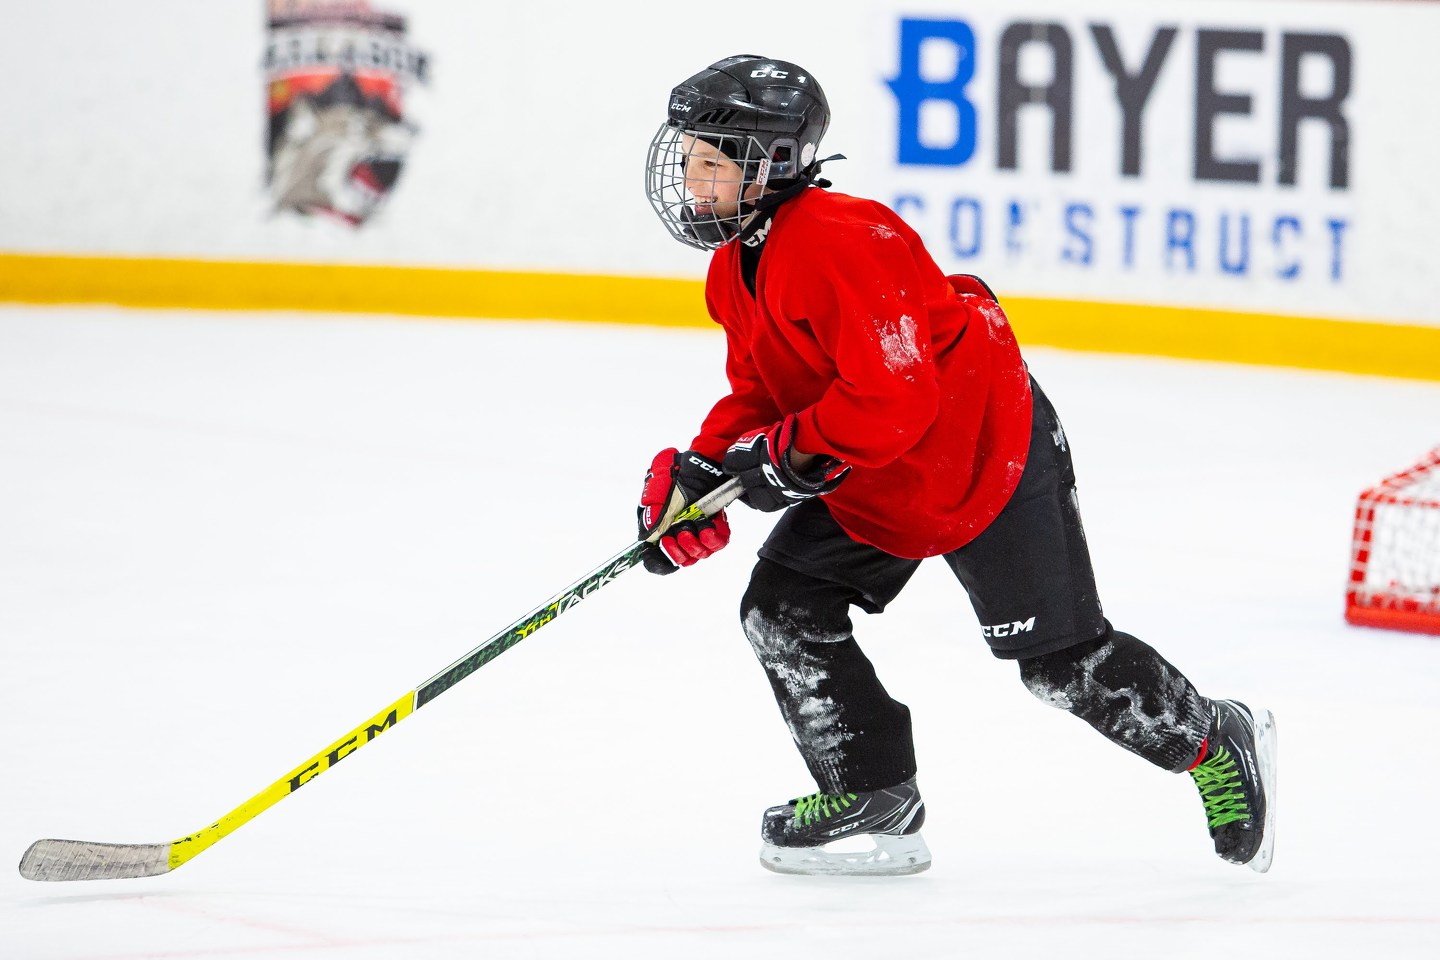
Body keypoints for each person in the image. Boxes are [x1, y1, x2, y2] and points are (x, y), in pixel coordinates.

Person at [635, 54, 1276, 877]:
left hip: (981, 451)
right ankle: (873, 794)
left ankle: (1213, 738)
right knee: (783, 610)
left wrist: (784, 461)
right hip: (874, 471)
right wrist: (703, 471)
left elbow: (894, 399)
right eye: (689, 158)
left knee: (1063, 667)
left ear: (772, 164)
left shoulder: (847, 239)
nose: (691, 180)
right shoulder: (734, 267)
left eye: (710, 162)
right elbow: (763, 389)